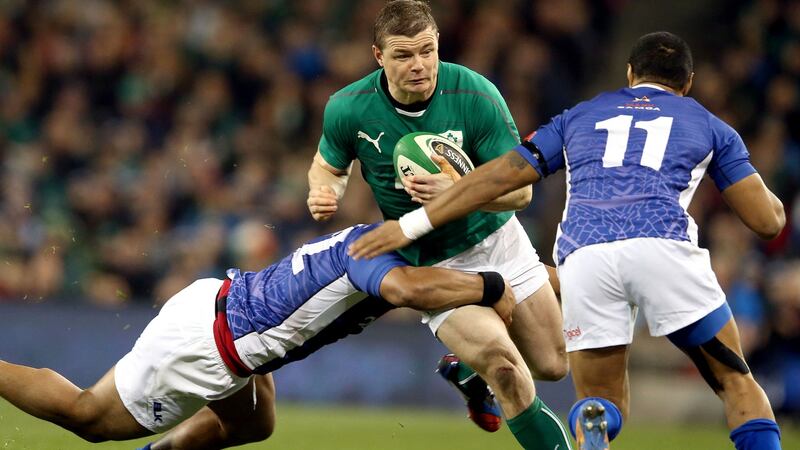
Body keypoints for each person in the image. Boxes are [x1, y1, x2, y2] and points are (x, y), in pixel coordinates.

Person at [350, 31, 787, 450]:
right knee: (736, 381)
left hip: (585, 256)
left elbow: (503, 175)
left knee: (603, 401)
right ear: (687, 84)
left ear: (630, 74)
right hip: (662, 245)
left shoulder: (580, 115)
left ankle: (596, 415)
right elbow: (766, 222)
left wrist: (412, 223)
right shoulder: (708, 124)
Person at [0, 223, 518, 450]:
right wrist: (490, 285)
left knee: (255, 425)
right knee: (88, 417)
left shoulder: (404, 252)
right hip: (209, 341)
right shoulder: (383, 256)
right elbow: (408, 290)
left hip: (226, 325)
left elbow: (440, 293)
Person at [306, 0, 569, 443]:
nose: (419, 65)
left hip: (499, 240)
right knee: (506, 368)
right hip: (434, 263)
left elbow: (522, 192)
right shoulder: (348, 107)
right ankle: (485, 368)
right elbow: (327, 166)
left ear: (438, 44)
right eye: (403, 55)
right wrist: (324, 191)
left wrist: (456, 193)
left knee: (552, 365)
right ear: (378, 56)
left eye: (427, 51)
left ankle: (466, 371)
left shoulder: (475, 94)